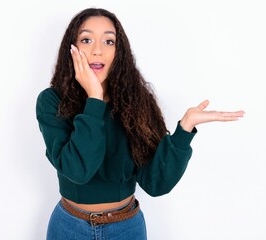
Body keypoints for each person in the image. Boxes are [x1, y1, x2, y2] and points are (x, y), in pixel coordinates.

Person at [36, 7, 244, 240]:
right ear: (72, 49)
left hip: (125, 228)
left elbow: (156, 184)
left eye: (108, 41)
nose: (97, 50)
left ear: (119, 51)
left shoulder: (135, 102)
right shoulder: (52, 101)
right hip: (69, 228)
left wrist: (185, 129)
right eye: (86, 40)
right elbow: (78, 170)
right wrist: (94, 98)